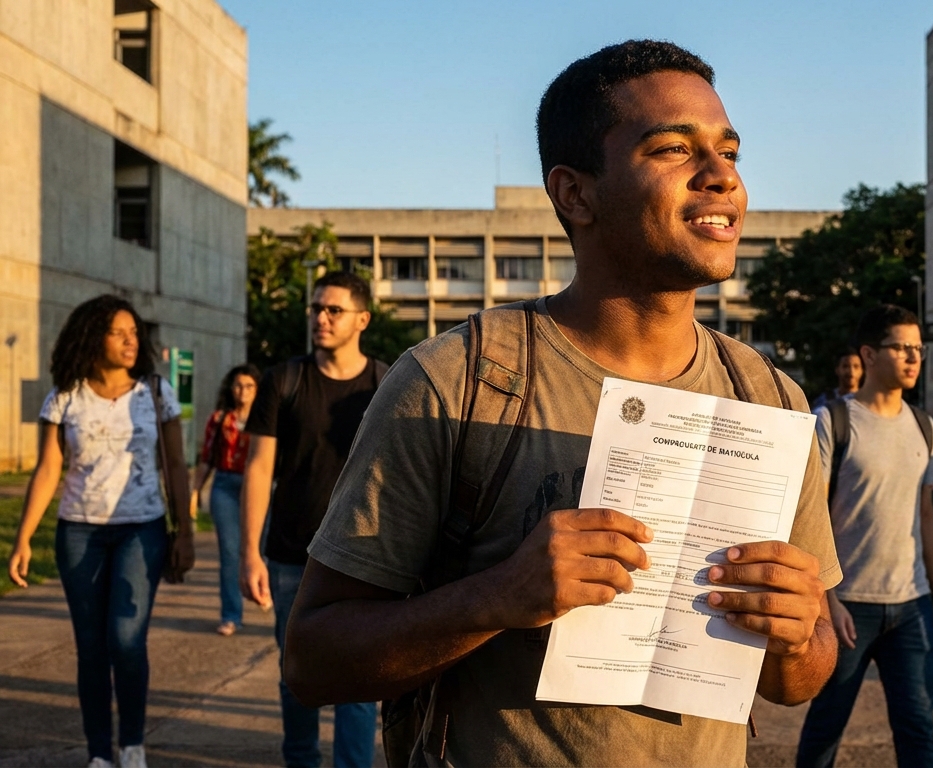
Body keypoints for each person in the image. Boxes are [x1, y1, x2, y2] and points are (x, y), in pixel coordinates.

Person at [279, 40, 841, 768]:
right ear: (575, 193)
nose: (722, 176)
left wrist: (796, 633)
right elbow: (313, 659)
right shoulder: (452, 381)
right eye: (674, 148)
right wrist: (498, 596)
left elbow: (798, 678)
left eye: (729, 151)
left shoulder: (766, 398)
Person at [6, 295, 194, 768]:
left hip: (142, 530)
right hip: (79, 533)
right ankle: (99, 754)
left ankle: (132, 746)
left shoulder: (156, 391)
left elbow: (175, 464)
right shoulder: (65, 395)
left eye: (136, 334)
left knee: (126, 641)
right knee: (90, 649)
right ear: (93, 337)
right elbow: (49, 469)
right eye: (120, 333)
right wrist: (23, 537)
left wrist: (185, 531)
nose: (133, 341)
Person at [240, 271, 388, 768]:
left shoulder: (386, 384)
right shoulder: (283, 380)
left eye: (333, 310)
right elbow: (259, 470)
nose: (320, 319)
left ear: (362, 320)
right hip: (290, 554)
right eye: (316, 309)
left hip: (363, 556)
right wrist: (249, 554)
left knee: (360, 683)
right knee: (295, 676)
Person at [796, 304, 933, 768]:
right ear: (869, 353)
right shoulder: (833, 421)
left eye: (918, 349)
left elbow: (926, 515)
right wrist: (830, 598)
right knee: (826, 728)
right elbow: (811, 513)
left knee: (920, 729)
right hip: (848, 606)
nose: (913, 358)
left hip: (912, 605)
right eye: (901, 347)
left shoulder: (924, 425)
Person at [190, 364, 259, 636]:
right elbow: (207, 458)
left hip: (256, 487)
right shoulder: (220, 419)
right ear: (232, 389)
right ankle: (231, 614)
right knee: (230, 553)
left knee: (259, 546)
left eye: (249, 386)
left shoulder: (265, 419)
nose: (243, 391)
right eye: (239, 386)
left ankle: (262, 590)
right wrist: (195, 491)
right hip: (225, 486)